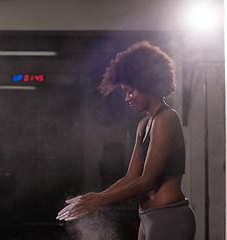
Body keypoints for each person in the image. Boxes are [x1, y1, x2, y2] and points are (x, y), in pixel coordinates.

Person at [57, 41, 196, 240]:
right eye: (125, 92)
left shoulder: (167, 119)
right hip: (147, 218)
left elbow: (147, 181)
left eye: (130, 91)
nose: (127, 98)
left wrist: (101, 200)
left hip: (169, 216)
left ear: (148, 84)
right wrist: (93, 198)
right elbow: (131, 178)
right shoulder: (144, 124)